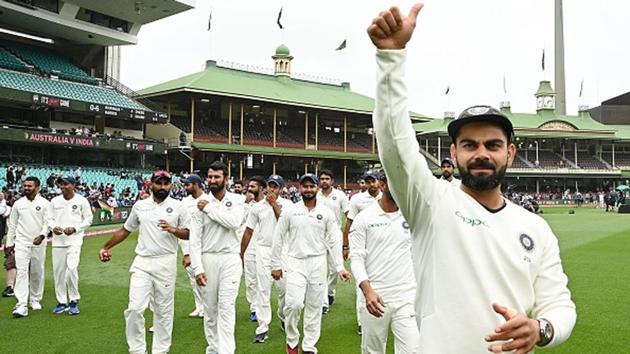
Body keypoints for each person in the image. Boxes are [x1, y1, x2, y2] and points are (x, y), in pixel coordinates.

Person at [368, 4, 576, 353]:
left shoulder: (535, 228)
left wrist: (541, 328)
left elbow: (560, 304)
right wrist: (391, 58)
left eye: (493, 144)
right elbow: (395, 143)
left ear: (510, 153)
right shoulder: (430, 203)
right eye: (470, 144)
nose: (482, 153)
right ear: (454, 154)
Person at [98, 170, 189, 354]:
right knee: (135, 308)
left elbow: (189, 233)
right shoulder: (140, 206)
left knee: (163, 311)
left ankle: (160, 351)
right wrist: (106, 247)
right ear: (151, 184)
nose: (162, 187)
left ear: (171, 185)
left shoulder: (179, 206)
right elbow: (125, 230)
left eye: (166, 183)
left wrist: (172, 229)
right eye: (159, 183)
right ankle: (137, 350)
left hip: (166, 262)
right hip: (142, 262)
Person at [271, 173, 351, 354]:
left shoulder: (326, 213)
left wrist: (340, 267)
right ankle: (292, 341)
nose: (308, 189)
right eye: (305, 186)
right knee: (294, 304)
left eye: (311, 186)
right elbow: (278, 237)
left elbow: (334, 240)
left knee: (314, 307)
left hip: (317, 262)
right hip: (295, 262)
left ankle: (309, 347)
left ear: (316, 188)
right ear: (299, 189)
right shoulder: (290, 211)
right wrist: (275, 265)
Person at [350, 172, 419, 354]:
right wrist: (367, 291)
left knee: (413, 350)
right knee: (373, 350)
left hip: (406, 294)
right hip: (376, 295)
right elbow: (356, 258)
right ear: (383, 184)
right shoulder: (364, 218)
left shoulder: (411, 215)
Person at [189, 161, 245, 354]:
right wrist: (197, 268)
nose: (212, 180)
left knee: (227, 307)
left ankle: (226, 351)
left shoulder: (237, 200)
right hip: (208, 259)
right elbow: (194, 240)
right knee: (211, 310)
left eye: (217, 177)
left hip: (230, 258)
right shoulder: (199, 204)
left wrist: (209, 210)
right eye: (210, 177)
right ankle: (213, 349)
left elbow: (234, 222)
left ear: (226, 179)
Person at [241, 174, 293, 343]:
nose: (271, 189)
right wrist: (241, 252)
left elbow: (284, 222)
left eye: (275, 186)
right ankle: (262, 327)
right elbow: (248, 230)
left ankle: (283, 317)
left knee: (284, 289)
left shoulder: (288, 205)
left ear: (281, 189)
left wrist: (274, 204)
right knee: (262, 290)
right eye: (269, 186)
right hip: (263, 250)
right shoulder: (257, 208)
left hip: (283, 250)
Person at [48, 176, 93, 315]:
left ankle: (73, 300)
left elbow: (88, 219)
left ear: (74, 185)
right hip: (58, 242)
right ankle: (62, 302)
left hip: (74, 240)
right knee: (59, 273)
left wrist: (75, 228)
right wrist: (53, 227)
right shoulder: (55, 201)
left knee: (71, 270)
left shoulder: (81, 200)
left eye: (66, 184)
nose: (63, 187)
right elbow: (49, 218)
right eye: (61, 184)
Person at [6, 177, 50, 318]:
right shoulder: (18, 204)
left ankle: (35, 299)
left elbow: (47, 223)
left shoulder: (45, 204)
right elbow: (12, 225)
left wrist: (42, 235)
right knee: (22, 271)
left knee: (37, 271)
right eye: (25, 186)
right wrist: (9, 243)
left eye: (29, 186)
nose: (26, 188)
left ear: (37, 187)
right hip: (22, 242)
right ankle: (21, 303)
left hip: (38, 242)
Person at [315, 169, 349, 313]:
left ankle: (330, 292)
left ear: (332, 181)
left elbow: (349, 215)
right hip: (318, 236)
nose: (324, 181)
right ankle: (323, 303)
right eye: (322, 178)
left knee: (335, 269)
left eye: (327, 178)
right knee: (321, 269)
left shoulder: (340, 195)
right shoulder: (315, 195)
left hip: (335, 235)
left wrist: (347, 241)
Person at [180, 174, 206, 318]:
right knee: (193, 278)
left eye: (187, 184)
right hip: (190, 245)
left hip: (207, 246)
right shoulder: (184, 203)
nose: (185, 187)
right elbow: (183, 228)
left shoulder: (209, 200)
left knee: (208, 278)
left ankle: (209, 307)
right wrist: (186, 253)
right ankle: (199, 306)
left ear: (196, 184)